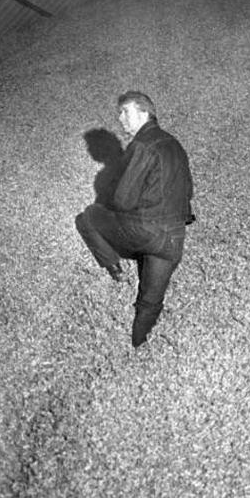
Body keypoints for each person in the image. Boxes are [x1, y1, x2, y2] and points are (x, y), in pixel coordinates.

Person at [75, 91, 195, 348]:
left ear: (144, 112)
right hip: (174, 239)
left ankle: (113, 266)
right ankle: (140, 346)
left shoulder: (141, 145)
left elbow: (123, 200)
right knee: (149, 303)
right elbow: (189, 194)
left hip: (145, 231)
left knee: (88, 217)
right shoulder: (176, 145)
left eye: (125, 112)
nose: (120, 119)